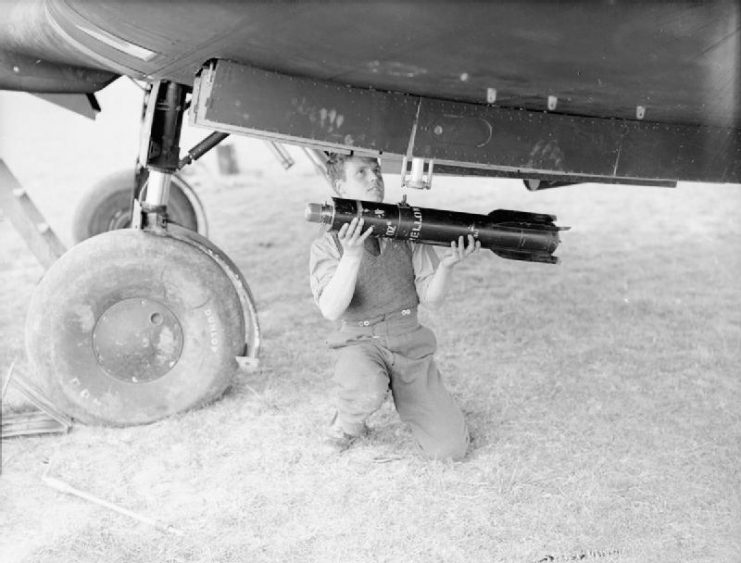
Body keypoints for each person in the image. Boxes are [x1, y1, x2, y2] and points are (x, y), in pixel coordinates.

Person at [309, 152, 480, 460]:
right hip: (360, 342)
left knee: (451, 450)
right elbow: (331, 310)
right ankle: (348, 422)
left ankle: (417, 401)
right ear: (340, 187)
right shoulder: (327, 244)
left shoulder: (406, 228)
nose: (374, 177)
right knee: (364, 386)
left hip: (408, 340)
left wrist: (447, 267)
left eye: (376, 171)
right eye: (361, 173)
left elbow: (431, 298)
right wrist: (351, 255)